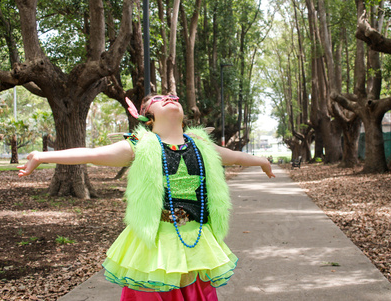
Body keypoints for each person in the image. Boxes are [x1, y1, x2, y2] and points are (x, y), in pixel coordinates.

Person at [17, 94, 275, 301]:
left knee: (197, 293)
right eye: (159, 98)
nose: (170, 97)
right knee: (151, 294)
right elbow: (92, 154)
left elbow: (235, 156)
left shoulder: (200, 145)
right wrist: (43, 156)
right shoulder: (139, 145)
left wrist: (261, 160)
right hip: (156, 242)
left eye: (174, 97)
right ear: (148, 116)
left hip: (196, 240)